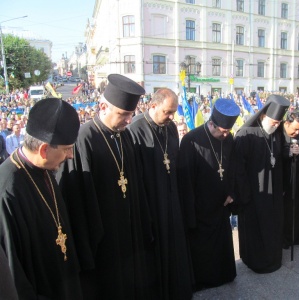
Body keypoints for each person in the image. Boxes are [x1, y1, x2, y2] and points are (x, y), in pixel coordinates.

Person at [57, 74, 153, 299]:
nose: (129, 121)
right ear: (103, 106)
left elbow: (134, 182)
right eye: (123, 114)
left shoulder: (124, 135)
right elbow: (75, 197)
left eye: (131, 114)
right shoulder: (84, 138)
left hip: (128, 231)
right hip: (102, 237)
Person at [0, 98, 83, 299]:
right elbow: (13, 273)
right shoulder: (7, 190)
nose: (70, 155)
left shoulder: (45, 170)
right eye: (66, 149)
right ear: (44, 149)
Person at [128, 88, 193, 299]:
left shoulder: (171, 127)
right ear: (153, 106)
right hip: (153, 202)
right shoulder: (135, 129)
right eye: (167, 112)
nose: (172, 116)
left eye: (173, 112)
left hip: (173, 199)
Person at [177, 98, 239, 290]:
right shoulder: (192, 140)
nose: (225, 134)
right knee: (201, 248)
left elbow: (235, 169)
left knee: (221, 245)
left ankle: (224, 275)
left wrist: (232, 192)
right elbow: (184, 179)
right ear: (211, 123)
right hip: (200, 206)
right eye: (222, 130)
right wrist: (190, 210)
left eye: (228, 131)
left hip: (221, 204)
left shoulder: (229, 139)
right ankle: (203, 280)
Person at [233, 94, 290, 273]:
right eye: (274, 122)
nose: (276, 125)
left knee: (273, 225)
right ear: (263, 116)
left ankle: (273, 258)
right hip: (254, 193)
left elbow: (280, 157)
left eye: (279, 123)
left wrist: (292, 152)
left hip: (274, 193)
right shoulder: (245, 135)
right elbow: (238, 169)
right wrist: (245, 194)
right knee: (256, 229)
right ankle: (256, 261)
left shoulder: (276, 134)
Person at [281, 112, 299, 249]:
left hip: (298, 181)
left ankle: (297, 237)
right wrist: (289, 153)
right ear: (287, 123)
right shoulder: (279, 134)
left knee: (298, 211)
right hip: (283, 183)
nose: (297, 132)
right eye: (295, 128)